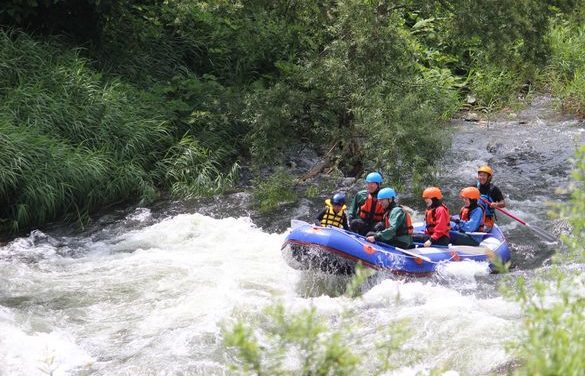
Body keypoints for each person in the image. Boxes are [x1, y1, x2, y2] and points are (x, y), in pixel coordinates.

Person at [476, 165, 506, 231]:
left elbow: (503, 203)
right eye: (480, 175)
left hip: (487, 218)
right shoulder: (474, 187)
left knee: (481, 230)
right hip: (474, 215)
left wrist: (496, 204)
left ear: (489, 177)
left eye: (484, 175)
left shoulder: (494, 189)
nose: (481, 177)